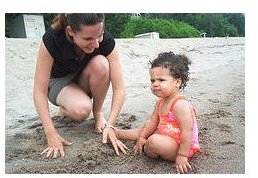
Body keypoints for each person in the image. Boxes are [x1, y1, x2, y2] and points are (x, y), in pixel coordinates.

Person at [33, 13, 127, 158]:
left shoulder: (105, 40)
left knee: (102, 64)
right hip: (58, 81)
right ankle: (67, 107)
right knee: (82, 110)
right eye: (88, 38)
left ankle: (98, 114)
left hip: (83, 76)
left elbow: (119, 88)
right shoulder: (53, 38)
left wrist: (111, 125)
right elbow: (39, 91)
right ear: (70, 32)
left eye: (99, 35)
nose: (96, 44)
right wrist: (51, 134)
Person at [114, 52, 201, 174]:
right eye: (152, 80)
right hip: (165, 135)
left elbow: (188, 131)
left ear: (177, 82)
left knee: (153, 141)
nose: (155, 84)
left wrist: (182, 156)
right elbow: (152, 122)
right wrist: (142, 136)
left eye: (161, 80)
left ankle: (149, 147)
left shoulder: (180, 104)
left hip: (180, 146)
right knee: (145, 128)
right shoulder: (160, 102)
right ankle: (118, 133)